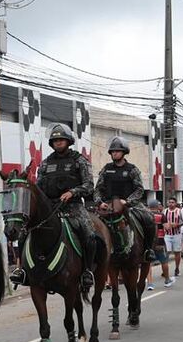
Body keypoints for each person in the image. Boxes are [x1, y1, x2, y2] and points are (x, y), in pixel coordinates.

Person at [12, 123, 99, 289]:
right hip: (50, 207)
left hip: (72, 206)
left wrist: (73, 192)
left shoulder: (79, 160)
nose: (58, 142)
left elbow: (89, 185)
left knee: (89, 234)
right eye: (55, 140)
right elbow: (38, 187)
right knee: (24, 232)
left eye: (61, 139)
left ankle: (87, 271)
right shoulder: (45, 163)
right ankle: (21, 270)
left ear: (68, 141)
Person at [94, 136, 157, 262]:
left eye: (117, 151)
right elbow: (98, 189)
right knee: (92, 224)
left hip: (129, 204)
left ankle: (148, 250)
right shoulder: (106, 169)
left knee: (148, 218)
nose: (114, 153)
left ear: (124, 152)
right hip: (108, 205)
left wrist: (128, 201)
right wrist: (100, 203)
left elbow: (139, 189)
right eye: (112, 151)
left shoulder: (132, 169)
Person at [146, 199, 173, 289]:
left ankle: (150, 283)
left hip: (148, 242)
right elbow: (167, 227)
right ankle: (167, 280)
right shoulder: (161, 215)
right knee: (164, 261)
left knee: (148, 263)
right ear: (157, 206)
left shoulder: (145, 215)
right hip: (160, 241)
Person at [163, 197, 183, 278]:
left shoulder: (179, 211)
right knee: (166, 252)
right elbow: (162, 221)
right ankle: (165, 268)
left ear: (175, 203)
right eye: (169, 202)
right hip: (167, 234)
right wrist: (165, 225)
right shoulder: (165, 211)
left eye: (172, 202)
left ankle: (177, 268)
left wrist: (177, 225)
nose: (171, 204)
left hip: (177, 234)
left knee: (177, 252)